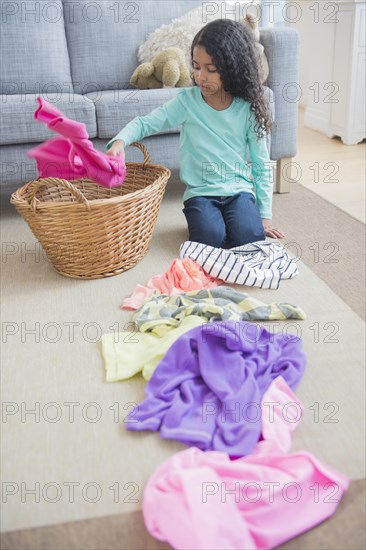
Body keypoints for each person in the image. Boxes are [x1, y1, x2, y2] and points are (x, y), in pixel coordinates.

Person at [106, 18, 285, 247]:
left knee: (249, 237)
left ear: (232, 68)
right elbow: (145, 123)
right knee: (210, 239)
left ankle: (237, 222)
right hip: (201, 193)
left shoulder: (247, 108)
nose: (200, 76)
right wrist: (120, 141)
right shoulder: (186, 102)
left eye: (211, 70)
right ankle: (213, 222)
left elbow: (261, 164)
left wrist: (265, 216)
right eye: (196, 66)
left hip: (238, 190)